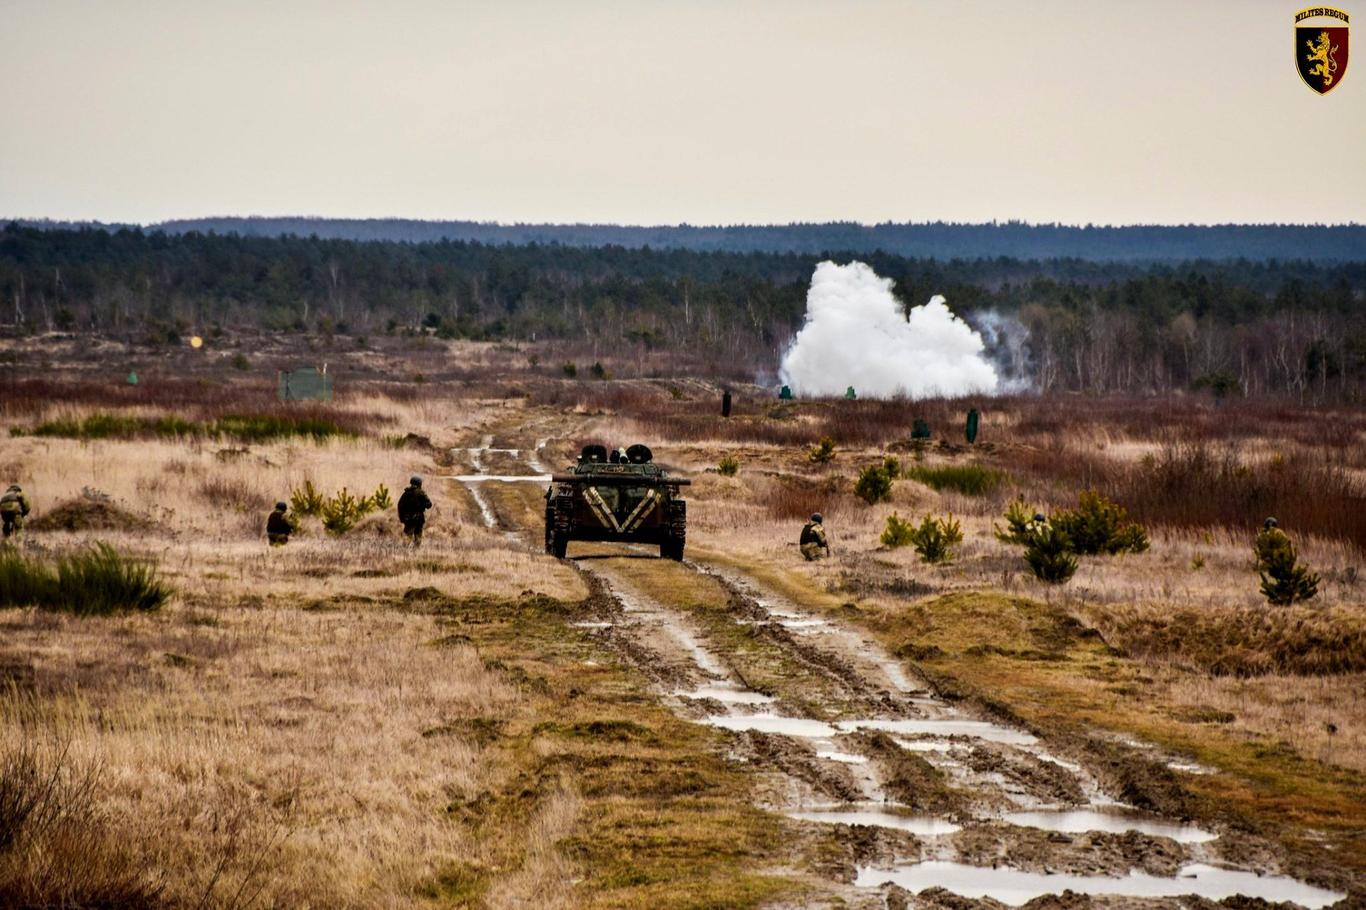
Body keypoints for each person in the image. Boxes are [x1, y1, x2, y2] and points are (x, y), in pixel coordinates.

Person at [398, 475, 433, 546]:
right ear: (419, 484)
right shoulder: (421, 493)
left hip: (408, 519)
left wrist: (402, 518)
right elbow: (429, 504)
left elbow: (400, 506)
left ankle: (404, 551)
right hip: (419, 518)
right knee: (418, 536)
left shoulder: (406, 493)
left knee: (407, 536)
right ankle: (416, 551)